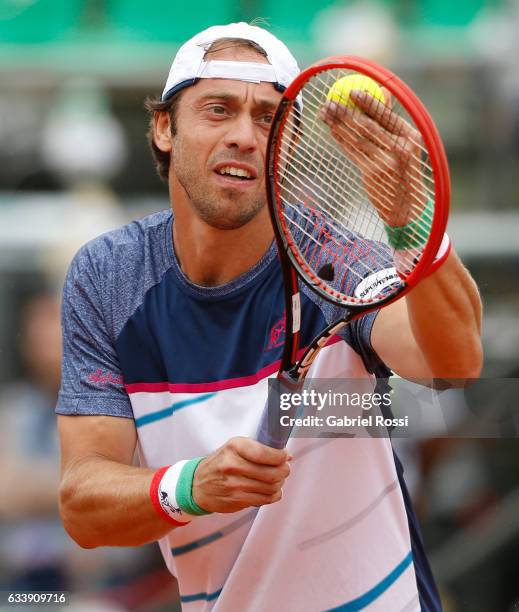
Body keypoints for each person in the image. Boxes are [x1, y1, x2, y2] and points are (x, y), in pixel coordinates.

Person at [56, 22, 482, 611]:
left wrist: (415, 225)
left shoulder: (333, 258)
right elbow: (83, 506)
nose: (244, 136)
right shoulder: (109, 278)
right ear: (163, 128)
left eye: (267, 118)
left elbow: (453, 364)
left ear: (289, 147)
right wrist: (193, 486)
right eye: (218, 109)